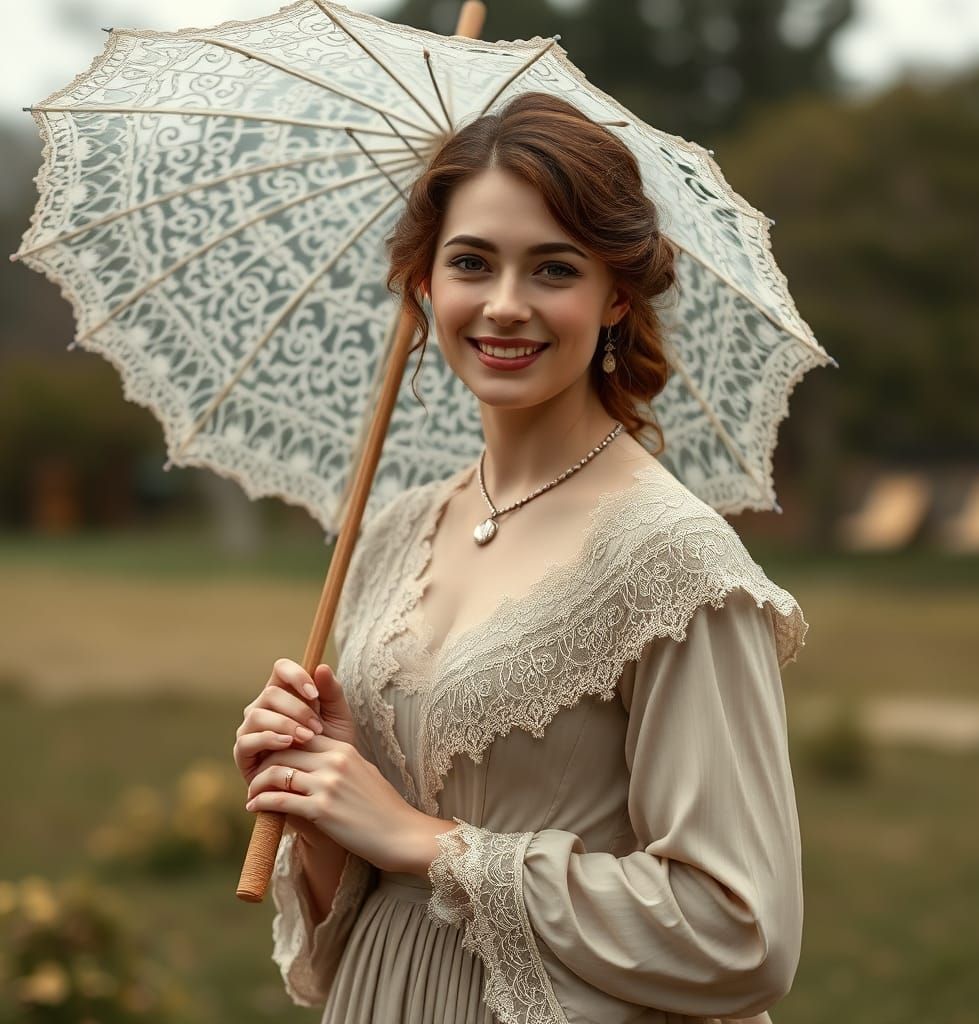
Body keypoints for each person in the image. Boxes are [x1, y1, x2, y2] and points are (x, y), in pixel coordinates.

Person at [232, 91, 808, 1024]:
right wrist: (322, 796)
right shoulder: (393, 531)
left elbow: (739, 933)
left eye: (552, 269)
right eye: (471, 262)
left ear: (615, 294)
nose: (504, 305)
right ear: (424, 285)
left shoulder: (675, 565)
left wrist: (429, 841)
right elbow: (370, 907)